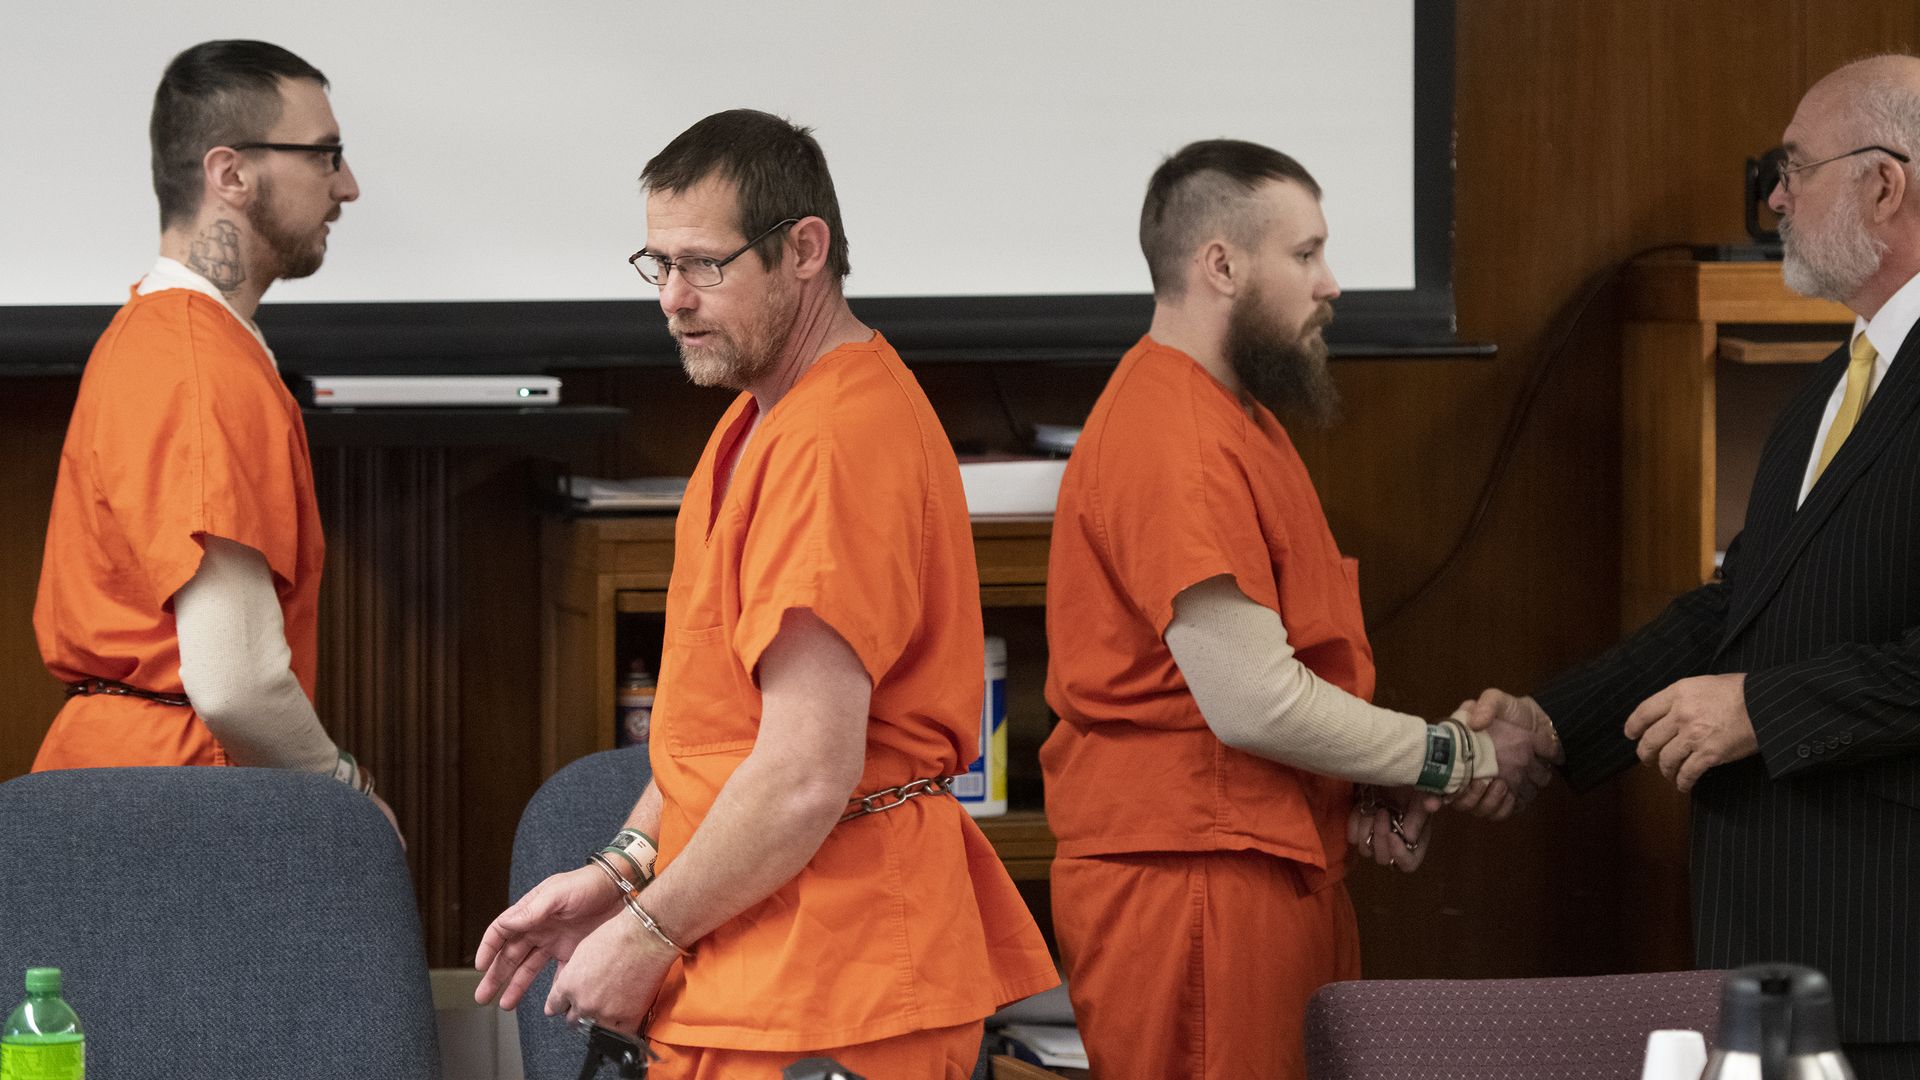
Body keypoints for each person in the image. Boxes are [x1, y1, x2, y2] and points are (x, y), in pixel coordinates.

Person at [474, 109, 1056, 1078]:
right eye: (655, 264)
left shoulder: (833, 439)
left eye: (704, 265)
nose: (671, 297)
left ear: (804, 250)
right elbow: (722, 734)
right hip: (765, 960)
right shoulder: (760, 418)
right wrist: (621, 869)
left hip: (833, 983)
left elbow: (800, 775)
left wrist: (646, 932)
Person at [1039, 139, 1557, 1080]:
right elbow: (1254, 701)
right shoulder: (1174, 436)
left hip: (1262, 870)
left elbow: (1286, 679)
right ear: (1222, 265)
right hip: (1195, 889)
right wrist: (1456, 756)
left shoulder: (1242, 420)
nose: (1333, 285)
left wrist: (1367, 781)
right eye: (1306, 253)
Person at [1469, 55, 1920, 1077]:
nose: (1774, 198)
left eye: (1794, 168)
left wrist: (1764, 708)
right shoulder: (1828, 389)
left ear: (1884, 185)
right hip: (1783, 961)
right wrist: (1550, 723)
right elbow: (1739, 609)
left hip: (1896, 965)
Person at [30, 41, 393, 823]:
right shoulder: (199, 366)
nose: (348, 186)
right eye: (326, 155)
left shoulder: (168, 340)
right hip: (181, 808)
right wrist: (350, 797)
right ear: (231, 174)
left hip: (137, 792)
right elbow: (236, 681)